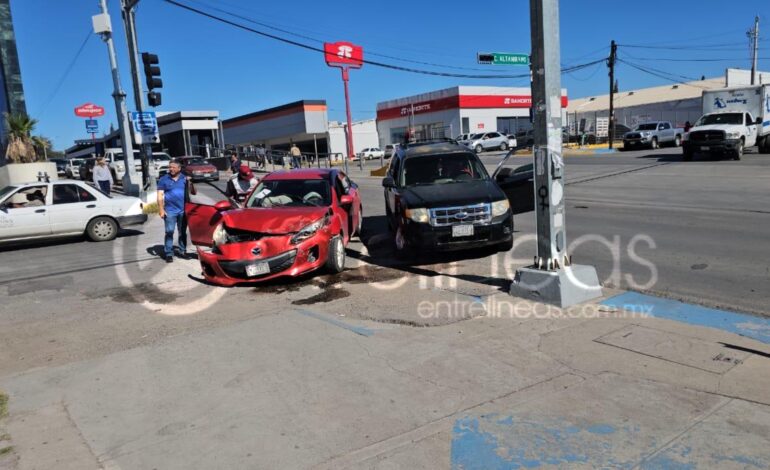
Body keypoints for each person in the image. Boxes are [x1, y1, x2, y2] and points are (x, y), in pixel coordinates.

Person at [157, 159, 196, 263]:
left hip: (183, 211)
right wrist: (161, 209)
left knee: (182, 232)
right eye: (170, 167)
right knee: (169, 232)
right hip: (170, 211)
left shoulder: (184, 178)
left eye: (173, 167)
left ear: (179, 168)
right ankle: (169, 253)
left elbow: (193, 192)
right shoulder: (164, 179)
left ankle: (182, 251)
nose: (171, 169)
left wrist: (190, 182)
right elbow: (160, 195)